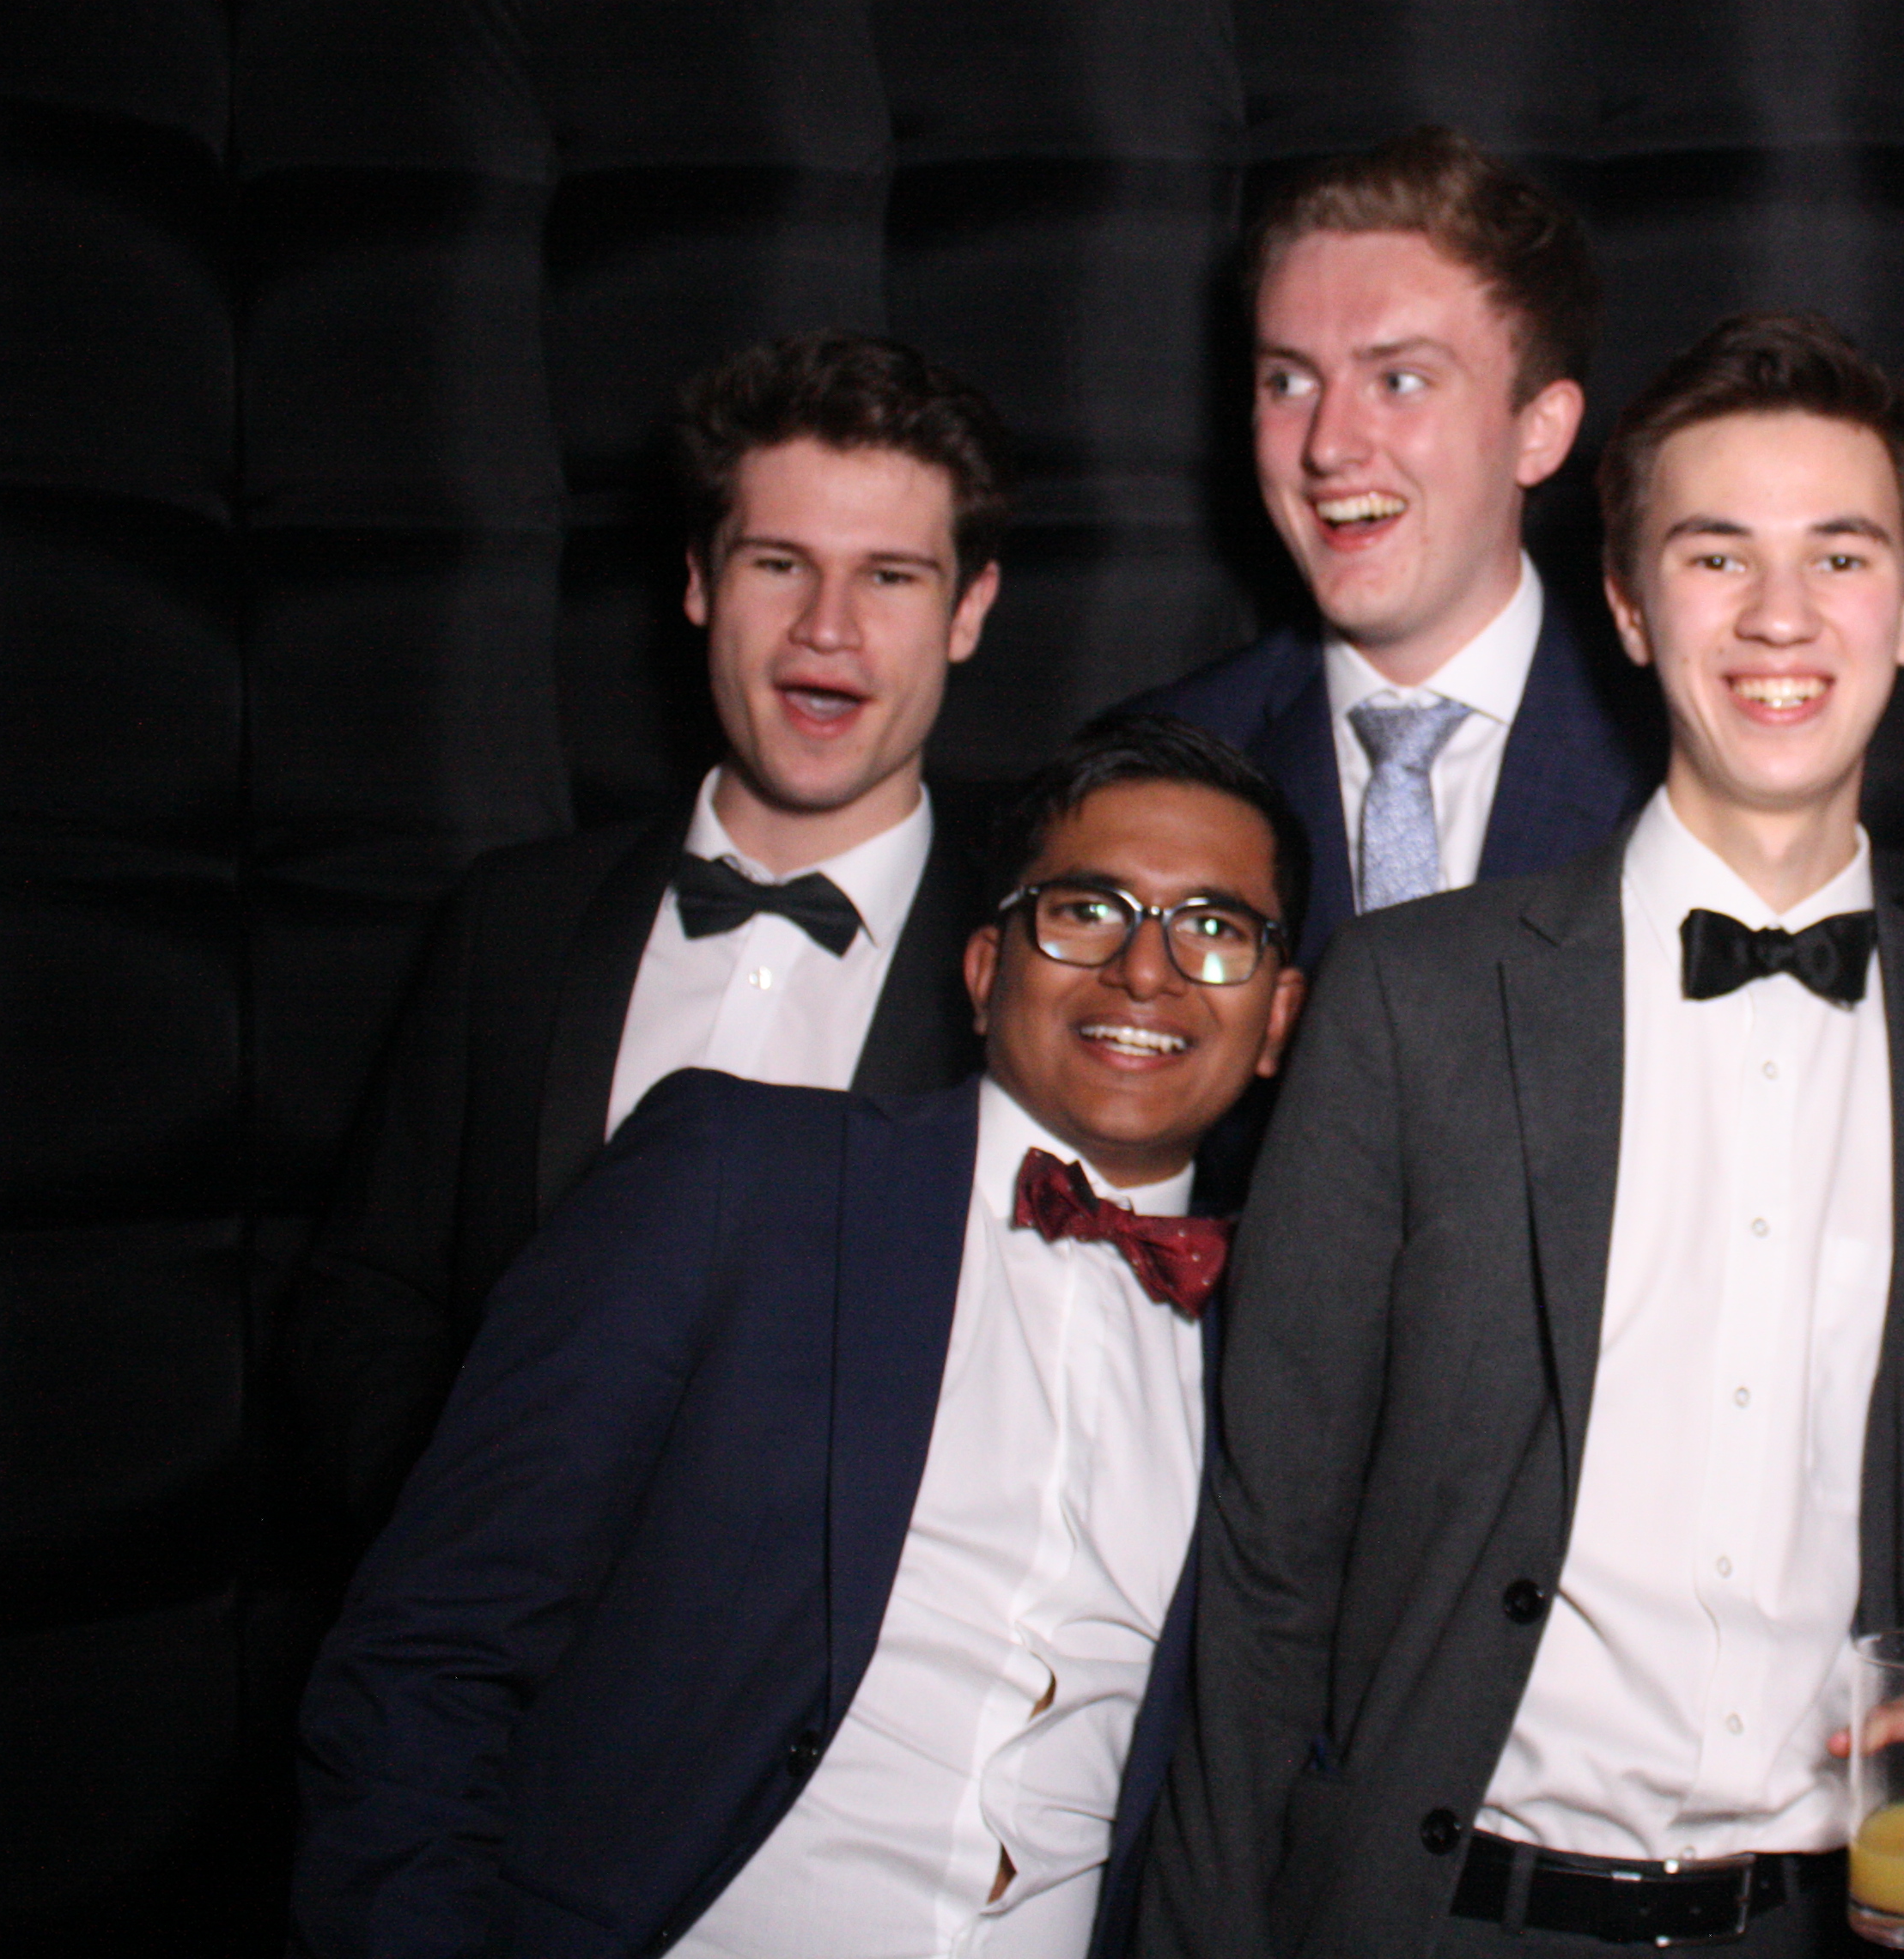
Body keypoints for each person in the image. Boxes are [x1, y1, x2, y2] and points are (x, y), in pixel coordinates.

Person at [1141, 313, 1904, 1957]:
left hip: (1818, 1923)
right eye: (1715, 556)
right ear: (1630, 609)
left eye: (1838, 555)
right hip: (1452, 1918)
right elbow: (1267, 1562)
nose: (1779, 614)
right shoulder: (1413, 1000)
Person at [292, 715, 1311, 1959]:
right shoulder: (735, 1176)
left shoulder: (1289, 1351)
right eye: (1087, 910)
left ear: (1277, 1017)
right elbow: (431, 1649)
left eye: (1215, 929)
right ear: (985, 967)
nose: (1147, 971)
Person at [292, 330, 1009, 1549]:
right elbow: (369, 1297)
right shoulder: (513, 923)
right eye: (778, 564)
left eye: (890, 577)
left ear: (968, 611)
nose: (827, 628)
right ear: (698, 582)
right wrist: (468, 1549)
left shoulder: (1045, 968)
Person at [1127, 125, 1657, 967]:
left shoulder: (1678, 748)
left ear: (1541, 430)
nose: (1328, 445)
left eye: (1399, 381)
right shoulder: (1154, 770)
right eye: (1289, 382)